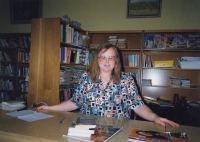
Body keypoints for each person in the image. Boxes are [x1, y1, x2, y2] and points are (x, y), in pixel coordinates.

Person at [37, 43, 179, 127]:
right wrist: (50, 108)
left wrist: (155, 117)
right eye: (103, 57)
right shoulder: (86, 78)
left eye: (111, 57)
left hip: (117, 130)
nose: (107, 61)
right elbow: (75, 102)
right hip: (88, 130)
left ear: (116, 60)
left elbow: (137, 105)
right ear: (97, 60)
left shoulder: (127, 79)